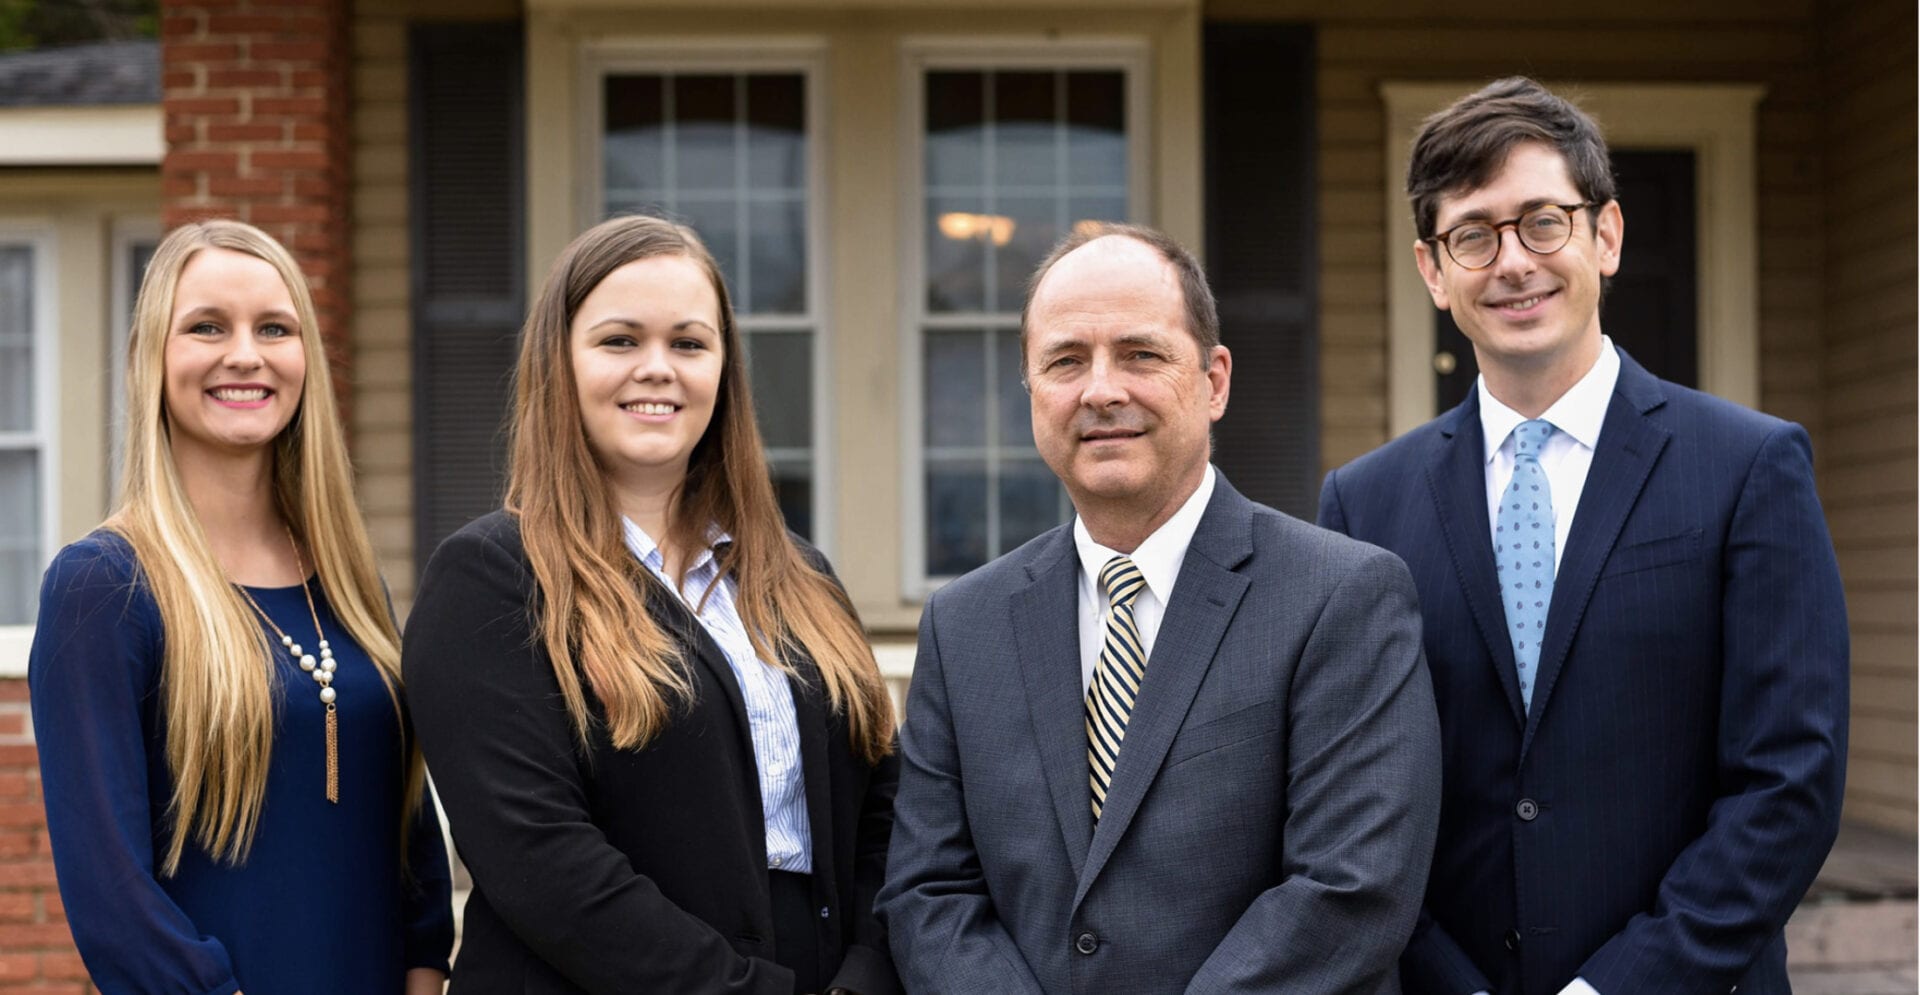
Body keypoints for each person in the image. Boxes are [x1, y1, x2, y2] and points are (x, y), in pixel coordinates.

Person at [1318, 77, 1848, 995]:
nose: (1512, 261)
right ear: (1433, 271)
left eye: (1543, 222)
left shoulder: (1749, 467)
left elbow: (1788, 782)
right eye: (1474, 235)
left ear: (1605, 236)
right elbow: (1356, 802)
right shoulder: (1365, 505)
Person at [880, 222, 1442, 993]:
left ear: (1214, 380)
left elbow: (1352, 889)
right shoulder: (963, 623)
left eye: (1141, 354)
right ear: (1032, 391)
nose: (1101, 389)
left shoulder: (1341, 597)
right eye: (1066, 360)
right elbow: (928, 892)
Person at [404, 214, 901, 995]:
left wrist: (865, 977)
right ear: (559, 365)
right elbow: (541, 859)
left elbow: (885, 808)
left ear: (723, 372)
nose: (658, 368)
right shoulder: (490, 579)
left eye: (689, 343)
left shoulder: (800, 577)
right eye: (620, 341)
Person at [29, 219, 453, 995]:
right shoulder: (103, 589)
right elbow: (111, 897)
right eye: (207, 327)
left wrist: (425, 974)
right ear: (151, 356)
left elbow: (409, 834)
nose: (246, 354)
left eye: (274, 328)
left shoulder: (351, 584)